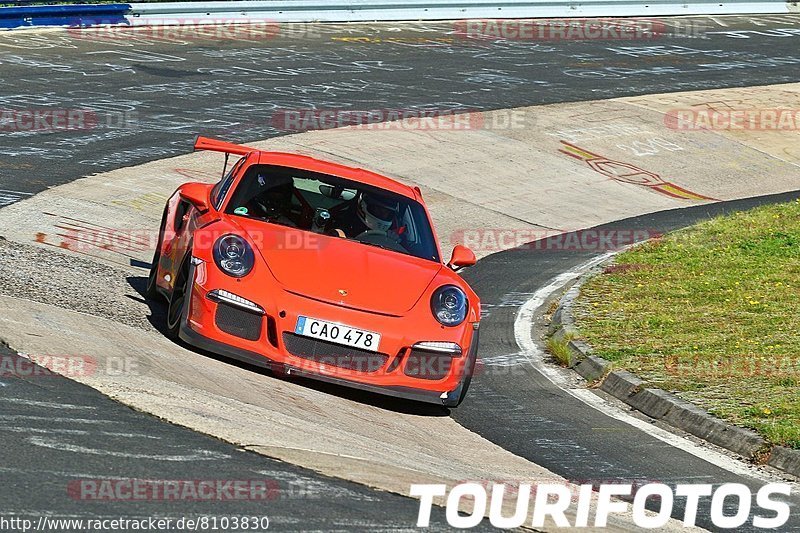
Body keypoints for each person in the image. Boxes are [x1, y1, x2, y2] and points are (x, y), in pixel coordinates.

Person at [334, 191, 400, 238]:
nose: (383, 214)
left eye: (387, 213)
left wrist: (392, 241)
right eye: (378, 210)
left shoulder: (391, 236)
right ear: (364, 205)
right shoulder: (342, 221)